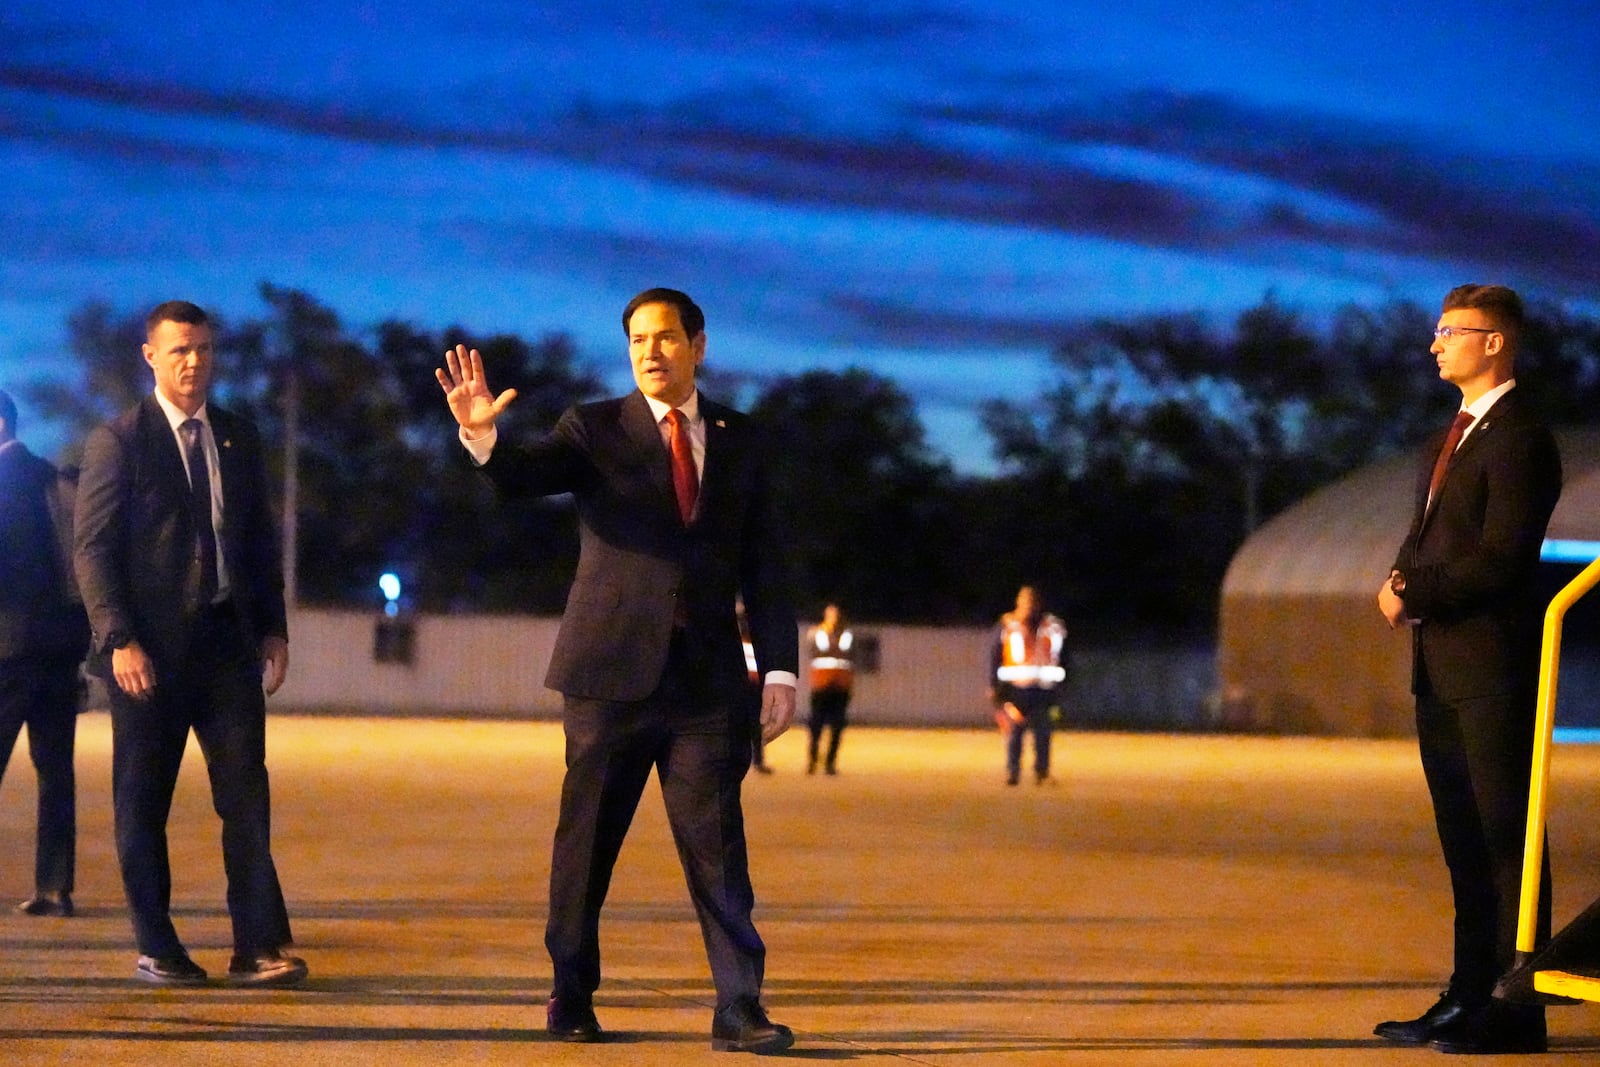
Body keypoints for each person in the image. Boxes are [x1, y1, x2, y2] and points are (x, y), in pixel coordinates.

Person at [436, 287, 799, 1052]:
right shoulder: (594, 427)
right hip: (608, 678)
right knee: (587, 845)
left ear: (698, 345)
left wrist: (780, 667)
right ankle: (570, 991)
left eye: (665, 337)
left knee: (718, 850)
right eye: (637, 339)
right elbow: (525, 473)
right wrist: (485, 442)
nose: (650, 352)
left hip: (706, 684)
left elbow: (766, 562)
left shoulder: (745, 439)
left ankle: (740, 1007)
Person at [74, 301, 304, 988]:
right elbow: (92, 551)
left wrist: (273, 627)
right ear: (150, 355)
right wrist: (118, 638)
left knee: (246, 798)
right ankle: (158, 945)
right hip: (147, 655)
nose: (193, 361)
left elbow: (257, 541)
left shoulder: (237, 435)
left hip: (226, 645)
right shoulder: (119, 440)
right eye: (179, 350)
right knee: (143, 803)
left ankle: (256, 946)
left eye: (203, 348)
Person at [1374, 284, 1562, 1055]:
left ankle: (1519, 1010)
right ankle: (1466, 992)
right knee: (1463, 843)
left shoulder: (1521, 438)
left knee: (1506, 840)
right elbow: (1425, 537)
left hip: (1492, 666)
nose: (1435, 344)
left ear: (1494, 342)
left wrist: (1410, 590)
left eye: (1450, 331)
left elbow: (1502, 560)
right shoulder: (1447, 437)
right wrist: (1400, 575)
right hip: (1440, 669)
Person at [0, 389, 89, 918]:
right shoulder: (54, 478)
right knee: (55, 770)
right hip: (60, 648)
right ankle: (54, 886)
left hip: (9, 650)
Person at [988, 585, 1066, 786]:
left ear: (1038, 604)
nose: (1029, 606)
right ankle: (1012, 773)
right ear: (1018, 603)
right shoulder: (1007, 625)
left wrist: (1063, 685)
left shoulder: (1053, 626)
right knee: (1014, 733)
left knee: (1043, 732)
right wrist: (993, 686)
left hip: (1044, 689)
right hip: (1016, 689)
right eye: (1025, 602)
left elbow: (1064, 658)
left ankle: (1042, 772)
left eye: (1032, 602)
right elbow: (994, 656)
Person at [806, 603, 854, 775]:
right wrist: (835, 647)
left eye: (836, 615)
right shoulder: (817, 632)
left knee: (837, 727)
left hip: (841, 686)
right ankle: (812, 761)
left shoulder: (847, 633)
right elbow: (817, 651)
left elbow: (849, 653)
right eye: (831, 614)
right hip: (821, 685)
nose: (834, 618)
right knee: (815, 726)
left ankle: (830, 764)